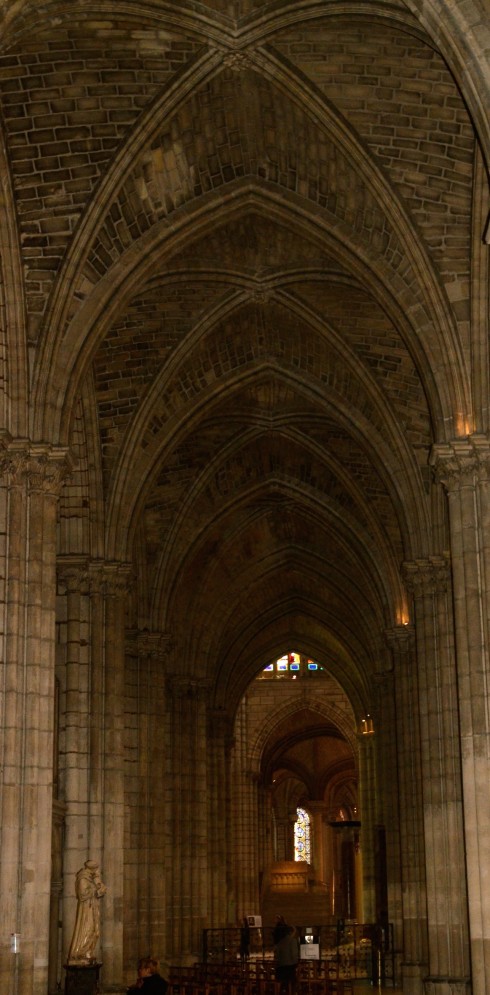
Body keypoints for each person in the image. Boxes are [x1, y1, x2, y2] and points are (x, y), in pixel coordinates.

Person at [67, 860, 107, 964]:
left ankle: (87, 952)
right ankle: (79, 953)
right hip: (86, 910)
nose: (96, 871)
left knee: (95, 931)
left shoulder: (92, 879)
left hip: (93, 908)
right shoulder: (82, 879)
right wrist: (95, 889)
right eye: (95, 869)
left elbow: (99, 891)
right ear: (91, 869)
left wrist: (98, 884)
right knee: (87, 929)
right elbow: (82, 895)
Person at [274, 924, 299, 995]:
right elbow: (294, 955)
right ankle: (292, 991)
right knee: (293, 980)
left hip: (280, 968)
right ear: (291, 932)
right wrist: (296, 964)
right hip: (289, 968)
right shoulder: (293, 941)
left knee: (283, 980)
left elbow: (277, 957)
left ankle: (282, 990)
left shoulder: (280, 942)